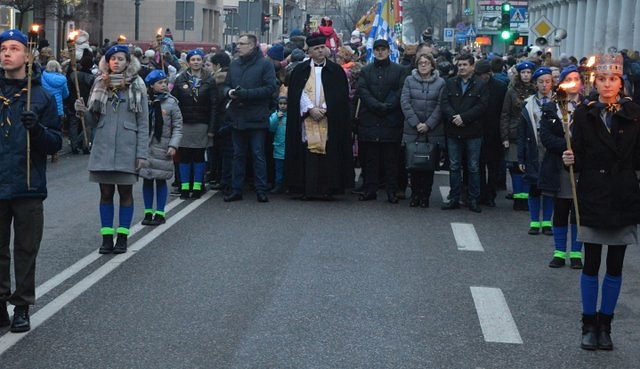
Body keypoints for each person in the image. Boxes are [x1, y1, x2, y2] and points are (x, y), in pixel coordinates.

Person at [562, 53, 640, 351]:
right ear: (596, 82)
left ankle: (606, 325)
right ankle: (588, 324)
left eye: (613, 79)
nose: (608, 84)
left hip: (622, 195)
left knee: (616, 265)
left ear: (621, 82)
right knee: (591, 263)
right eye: (603, 79)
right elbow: (578, 155)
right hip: (593, 194)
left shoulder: (634, 114)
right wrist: (571, 158)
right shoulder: (584, 113)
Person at [0, 29, 62, 332]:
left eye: (14, 48)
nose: (7, 54)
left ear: (27, 54)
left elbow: (55, 143)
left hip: (28, 184)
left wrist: (37, 130)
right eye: (3, 49)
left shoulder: (42, 95)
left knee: (25, 248)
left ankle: (22, 305)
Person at [75, 44, 149, 254]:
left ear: (128, 62)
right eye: (112, 59)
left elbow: (143, 122)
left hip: (127, 148)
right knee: (105, 192)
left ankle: (123, 237)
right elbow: (92, 120)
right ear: (107, 62)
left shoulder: (138, 85)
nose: (116, 62)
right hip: (103, 147)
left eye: (121, 58)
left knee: (125, 193)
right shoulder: (100, 83)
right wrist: (82, 112)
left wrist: (142, 153)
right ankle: (107, 238)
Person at [284, 33, 353, 199]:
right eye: (317, 48)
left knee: (328, 152)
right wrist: (309, 108)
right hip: (307, 119)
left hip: (329, 119)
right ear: (310, 52)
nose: (321, 51)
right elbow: (296, 93)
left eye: (322, 47)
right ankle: (307, 188)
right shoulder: (300, 70)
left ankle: (328, 189)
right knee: (308, 154)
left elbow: (339, 94)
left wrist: (324, 108)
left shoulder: (336, 71)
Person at [539, 64, 583, 268]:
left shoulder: (588, 108)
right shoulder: (551, 107)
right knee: (561, 209)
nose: (574, 82)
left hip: (581, 166)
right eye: (569, 79)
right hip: (558, 165)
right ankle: (558, 252)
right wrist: (565, 147)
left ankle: (576, 253)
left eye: (577, 78)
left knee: (578, 211)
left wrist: (577, 150)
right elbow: (545, 137)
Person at [223, 34, 277, 203]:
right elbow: (226, 85)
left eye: (242, 44)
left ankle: (261, 189)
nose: (238, 46)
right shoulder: (234, 64)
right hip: (237, 116)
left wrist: (246, 94)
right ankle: (236, 189)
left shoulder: (265, 64)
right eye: (238, 43)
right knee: (238, 155)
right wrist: (229, 92)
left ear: (252, 46)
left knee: (258, 154)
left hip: (256, 116)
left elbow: (270, 88)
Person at [357, 39, 407, 203]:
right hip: (371, 120)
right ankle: (370, 189)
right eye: (377, 49)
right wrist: (377, 105)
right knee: (370, 160)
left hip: (391, 120)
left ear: (388, 51)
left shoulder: (399, 70)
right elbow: (363, 91)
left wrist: (388, 106)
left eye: (383, 49)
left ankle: (391, 191)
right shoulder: (366, 70)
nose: (380, 52)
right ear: (374, 51)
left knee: (391, 160)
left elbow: (401, 91)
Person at [440, 53, 488, 212]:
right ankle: (454, 197)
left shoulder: (480, 84)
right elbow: (444, 103)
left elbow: (482, 106)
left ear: (472, 67)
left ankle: (473, 199)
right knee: (454, 166)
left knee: (473, 166)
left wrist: (464, 118)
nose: (461, 67)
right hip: (453, 130)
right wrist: (454, 117)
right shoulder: (450, 83)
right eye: (459, 65)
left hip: (473, 132)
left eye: (465, 65)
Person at [171, 48, 217, 200]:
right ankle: (184, 187)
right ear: (188, 62)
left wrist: (211, 128)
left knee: (198, 156)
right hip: (184, 123)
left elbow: (214, 105)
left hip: (201, 124)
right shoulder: (180, 79)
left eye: (198, 59)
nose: (196, 62)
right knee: (184, 156)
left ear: (202, 61)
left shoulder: (209, 79)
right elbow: (174, 103)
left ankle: (197, 186)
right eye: (193, 59)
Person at [400, 53, 445, 207]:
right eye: (420, 63)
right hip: (413, 129)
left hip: (432, 130)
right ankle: (415, 195)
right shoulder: (409, 80)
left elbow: (440, 106)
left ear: (432, 65)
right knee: (414, 165)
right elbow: (405, 102)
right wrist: (416, 123)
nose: (423, 65)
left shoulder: (440, 83)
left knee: (428, 166)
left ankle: (425, 196)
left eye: (426, 63)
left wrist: (428, 124)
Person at [140, 70, 183, 225]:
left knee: (160, 180)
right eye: (160, 83)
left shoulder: (171, 102)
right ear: (151, 86)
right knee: (146, 179)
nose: (164, 85)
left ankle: (160, 212)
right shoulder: (143, 101)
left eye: (165, 82)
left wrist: (173, 145)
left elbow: (178, 126)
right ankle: (147, 212)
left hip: (163, 147)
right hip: (146, 147)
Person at [518, 67, 555, 236]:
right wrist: (521, 158)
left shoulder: (558, 102)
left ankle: (547, 221)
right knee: (534, 186)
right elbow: (522, 132)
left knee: (549, 187)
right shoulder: (529, 103)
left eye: (548, 82)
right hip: (533, 149)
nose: (544, 85)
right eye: (541, 82)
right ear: (536, 83)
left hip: (551, 149)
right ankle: (534, 221)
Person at [500, 60, 536, 210]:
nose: (526, 75)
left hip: (532, 133)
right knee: (515, 166)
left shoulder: (536, 90)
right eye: (523, 73)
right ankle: (517, 197)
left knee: (528, 167)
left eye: (528, 73)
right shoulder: (512, 91)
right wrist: (505, 136)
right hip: (515, 132)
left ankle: (526, 198)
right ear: (519, 74)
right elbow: (505, 114)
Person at [474, 59, 507, 207]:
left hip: (495, 132)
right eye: (479, 74)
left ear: (489, 73)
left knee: (493, 166)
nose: (481, 77)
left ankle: (491, 194)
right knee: (479, 164)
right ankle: (480, 193)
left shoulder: (500, 87)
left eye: (484, 75)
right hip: (477, 129)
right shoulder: (474, 84)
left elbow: (504, 111)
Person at [66, 48, 96, 154]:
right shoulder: (92, 78)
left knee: (74, 124)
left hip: (73, 100)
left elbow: (68, 88)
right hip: (86, 102)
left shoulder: (73, 75)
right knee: (87, 125)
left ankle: (75, 144)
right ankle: (84, 144)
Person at [269, 96, 287, 193]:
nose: (283, 106)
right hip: (278, 146)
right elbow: (271, 127)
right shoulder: (275, 115)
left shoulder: (290, 116)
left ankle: (287, 185)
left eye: (285, 103)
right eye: (281, 103)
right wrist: (276, 117)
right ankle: (278, 185)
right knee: (278, 168)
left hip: (288, 147)